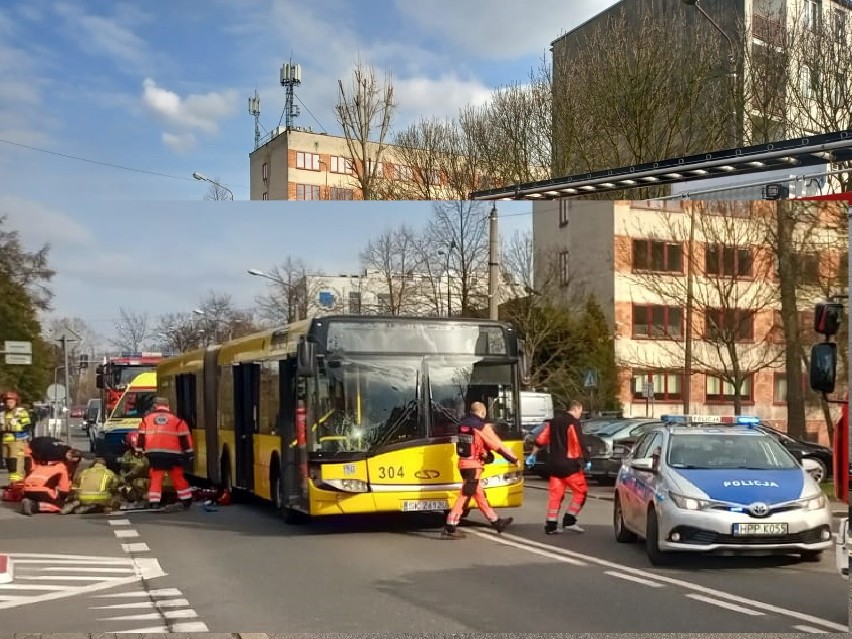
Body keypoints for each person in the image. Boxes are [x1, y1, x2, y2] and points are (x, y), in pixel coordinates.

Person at [443, 401, 520, 540]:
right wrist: (514, 459)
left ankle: (496, 521)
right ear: (483, 413)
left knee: (479, 494)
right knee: (466, 493)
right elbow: (497, 445)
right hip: (473, 466)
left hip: (463, 463)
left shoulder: (462, 424)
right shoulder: (480, 426)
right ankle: (450, 524)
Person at [526, 400, 590, 534]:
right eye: (580, 411)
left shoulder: (553, 422)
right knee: (581, 492)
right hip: (570, 465)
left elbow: (541, 440)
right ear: (576, 409)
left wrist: (532, 456)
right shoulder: (573, 423)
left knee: (556, 496)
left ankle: (551, 525)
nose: (580, 414)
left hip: (554, 465)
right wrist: (586, 459)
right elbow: (578, 441)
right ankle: (570, 519)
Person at [137, 397, 194, 509]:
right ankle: (186, 499)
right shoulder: (177, 419)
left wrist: (140, 451)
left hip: (154, 453)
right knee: (177, 475)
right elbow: (184, 438)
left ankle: (154, 502)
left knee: (156, 476)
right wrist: (189, 453)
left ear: (155, 406)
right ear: (167, 406)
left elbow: (141, 438)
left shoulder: (146, 419)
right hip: (173, 454)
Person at [1, 390, 32, 485]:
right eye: (7, 402)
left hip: (18, 441)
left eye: (11, 402)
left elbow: (27, 425)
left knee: (16, 462)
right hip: (5, 441)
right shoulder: (3, 413)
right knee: (9, 463)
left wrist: (19, 430)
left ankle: (19, 482)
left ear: (16, 402)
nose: (9, 404)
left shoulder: (21, 412)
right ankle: (13, 482)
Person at [118, 431, 150, 508]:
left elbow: (139, 468)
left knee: (138, 482)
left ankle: (144, 499)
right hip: (133, 479)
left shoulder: (147, 454)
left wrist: (127, 476)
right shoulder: (128, 454)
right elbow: (123, 467)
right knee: (121, 484)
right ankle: (131, 499)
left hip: (148, 479)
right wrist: (122, 477)